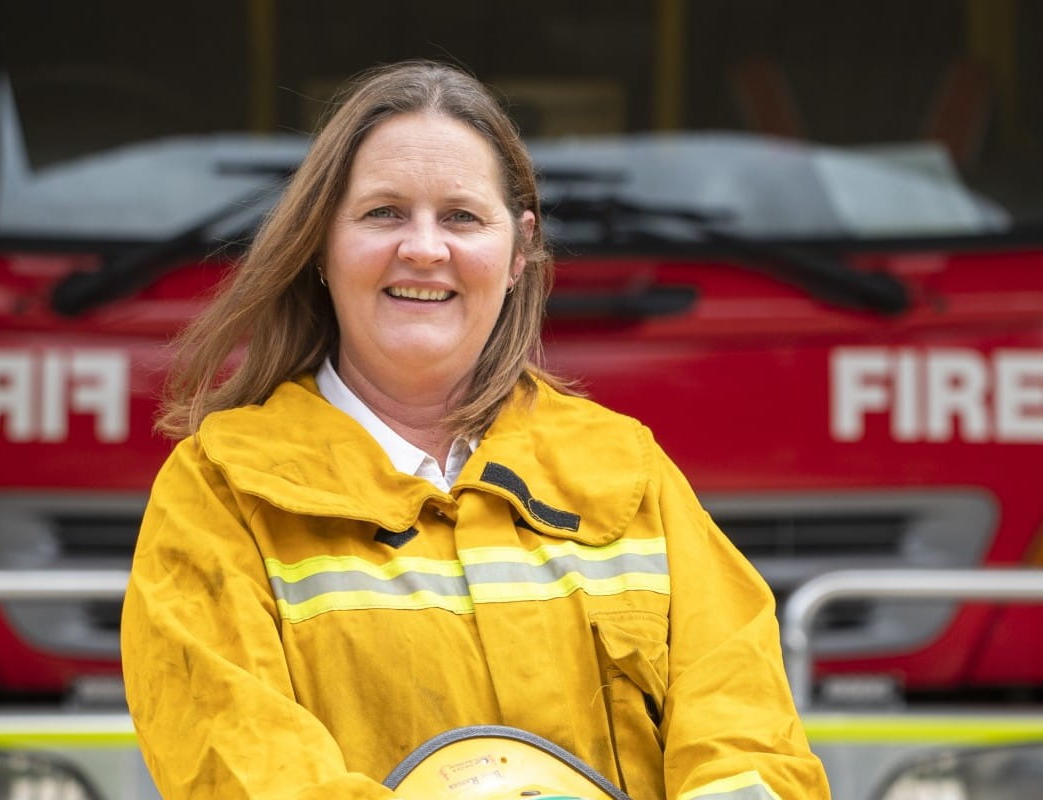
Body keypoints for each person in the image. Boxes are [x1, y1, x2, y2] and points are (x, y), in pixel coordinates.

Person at [120, 60, 831, 800]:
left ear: (519, 249)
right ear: (321, 246)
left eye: (461, 216)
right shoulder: (219, 496)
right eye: (383, 213)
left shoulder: (628, 474)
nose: (425, 249)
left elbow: (749, 746)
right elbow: (246, 773)